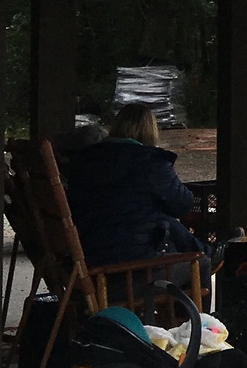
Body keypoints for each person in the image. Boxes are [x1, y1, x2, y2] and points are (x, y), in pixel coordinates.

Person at [63, 103, 202, 267]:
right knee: (201, 263)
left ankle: (205, 250)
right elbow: (183, 204)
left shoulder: (87, 159)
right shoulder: (149, 161)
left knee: (157, 217)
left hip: (89, 255)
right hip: (130, 262)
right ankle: (207, 252)